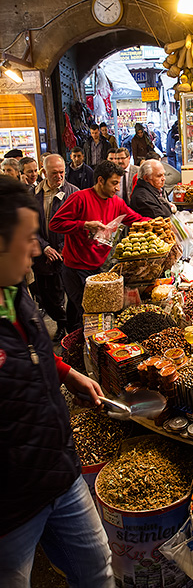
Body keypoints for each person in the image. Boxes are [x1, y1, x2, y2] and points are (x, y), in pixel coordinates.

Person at [0, 175, 115, 588]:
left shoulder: (13, 293)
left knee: (98, 569)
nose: (38, 248)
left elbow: (31, 349)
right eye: (28, 237)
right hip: (10, 508)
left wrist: (68, 374)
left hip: (60, 475)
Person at [49, 160, 150, 331]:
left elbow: (136, 219)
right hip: (76, 268)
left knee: (88, 311)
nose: (117, 188)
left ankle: (78, 340)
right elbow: (55, 224)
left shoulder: (116, 202)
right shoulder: (79, 198)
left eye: (118, 183)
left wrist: (165, 223)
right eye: (114, 183)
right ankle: (76, 347)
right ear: (101, 180)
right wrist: (84, 224)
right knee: (87, 313)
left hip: (100, 267)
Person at [33, 154, 79, 343]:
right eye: (54, 173)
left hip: (67, 254)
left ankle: (71, 328)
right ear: (43, 172)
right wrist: (44, 247)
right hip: (43, 255)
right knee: (48, 296)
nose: (59, 177)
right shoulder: (33, 194)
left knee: (72, 295)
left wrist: (61, 247)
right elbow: (28, 226)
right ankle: (62, 324)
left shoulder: (73, 193)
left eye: (62, 172)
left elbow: (77, 225)